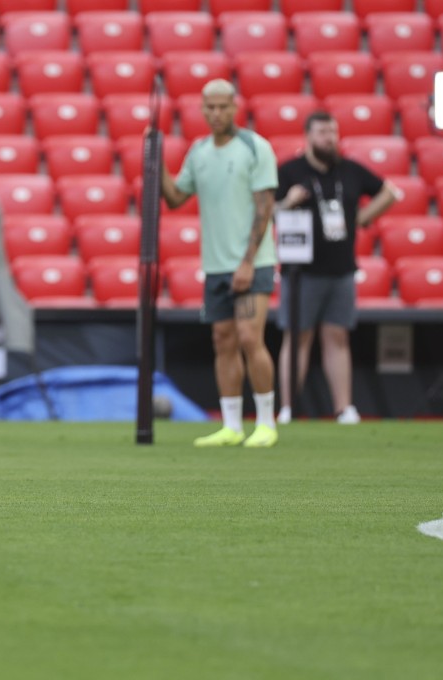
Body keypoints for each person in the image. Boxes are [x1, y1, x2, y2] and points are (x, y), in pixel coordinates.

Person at [160, 78, 280, 448]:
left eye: (222, 106)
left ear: (234, 107)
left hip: (252, 262)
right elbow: (176, 197)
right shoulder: (198, 152)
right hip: (214, 264)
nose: (216, 113)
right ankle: (231, 425)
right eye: (209, 107)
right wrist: (156, 159)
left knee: (249, 336)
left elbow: (265, 207)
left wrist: (247, 263)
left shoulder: (255, 148)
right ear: (202, 109)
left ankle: (265, 422)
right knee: (222, 340)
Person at [274, 111, 397, 425]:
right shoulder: (289, 171)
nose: (329, 138)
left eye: (333, 132)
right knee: (297, 337)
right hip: (301, 270)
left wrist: (365, 218)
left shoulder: (350, 169)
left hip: (341, 267)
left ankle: (344, 407)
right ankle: (288, 407)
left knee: (337, 336)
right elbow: (264, 212)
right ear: (308, 136)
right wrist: (287, 203)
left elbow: (389, 191)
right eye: (322, 133)